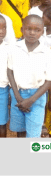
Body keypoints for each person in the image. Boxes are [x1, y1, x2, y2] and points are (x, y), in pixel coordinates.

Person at [7, 15, 51, 138]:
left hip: (37, 96)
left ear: (43, 31)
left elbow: (49, 81)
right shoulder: (14, 48)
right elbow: (10, 71)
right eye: (28, 29)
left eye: (37, 30)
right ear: (22, 29)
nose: (32, 33)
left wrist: (30, 100)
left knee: (33, 134)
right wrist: (17, 96)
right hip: (18, 94)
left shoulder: (47, 52)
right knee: (20, 130)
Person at [41, 7, 51, 137]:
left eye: (44, 17)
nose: (41, 19)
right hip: (41, 71)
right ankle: (43, 125)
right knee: (43, 99)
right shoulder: (40, 32)